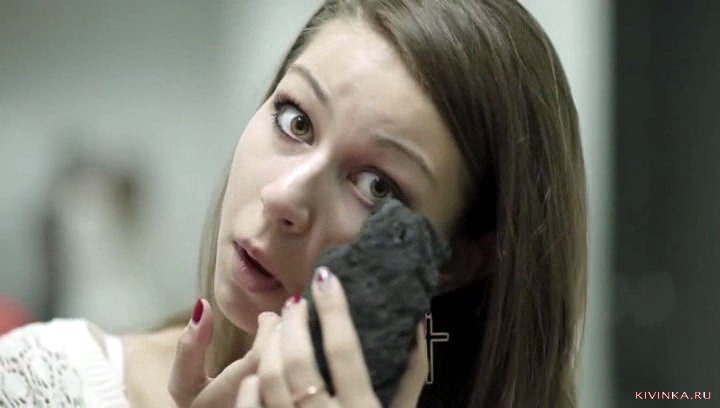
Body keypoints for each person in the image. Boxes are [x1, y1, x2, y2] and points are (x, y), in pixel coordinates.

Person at [0, 0, 586, 407]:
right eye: (296, 121)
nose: (283, 195)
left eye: (376, 186)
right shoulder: (39, 381)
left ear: (455, 261)